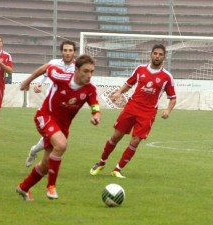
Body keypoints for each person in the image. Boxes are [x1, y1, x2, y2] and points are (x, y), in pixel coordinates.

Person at [16, 54, 100, 201]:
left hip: (62, 127)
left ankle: (23, 188)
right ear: (76, 69)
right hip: (45, 116)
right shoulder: (60, 76)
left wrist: (96, 114)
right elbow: (46, 67)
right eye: (86, 71)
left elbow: (94, 103)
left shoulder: (90, 89)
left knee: (45, 165)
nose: (89, 75)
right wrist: (27, 81)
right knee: (61, 145)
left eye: (92, 72)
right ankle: (51, 187)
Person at [90, 44, 176, 178]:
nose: (157, 56)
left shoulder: (167, 77)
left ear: (164, 57)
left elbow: (173, 98)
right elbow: (129, 84)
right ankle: (101, 162)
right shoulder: (140, 69)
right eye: (155, 53)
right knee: (116, 136)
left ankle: (117, 169)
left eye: (160, 54)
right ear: (151, 54)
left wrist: (168, 110)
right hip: (132, 107)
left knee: (135, 141)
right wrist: (119, 92)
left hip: (148, 112)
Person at [25, 40, 76, 167]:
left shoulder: (78, 67)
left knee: (56, 137)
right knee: (54, 135)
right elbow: (45, 72)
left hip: (66, 108)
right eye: (65, 50)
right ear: (61, 51)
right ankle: (45, 164)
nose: (67, 53)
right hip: (51, 104)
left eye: (70, 50)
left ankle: (34, 150)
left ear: (74, 52)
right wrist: (39, 83)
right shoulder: (54, 63)